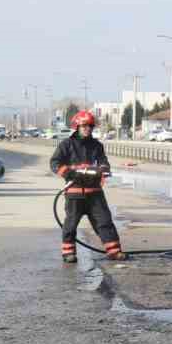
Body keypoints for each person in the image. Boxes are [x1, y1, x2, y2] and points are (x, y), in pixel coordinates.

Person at [49, 110, 125, 262]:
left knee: (104, 222)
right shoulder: (66, 145)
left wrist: (103, 169)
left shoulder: (97, 145)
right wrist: (70, 173)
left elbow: (104, 162)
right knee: (70, 225)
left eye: (90, 126)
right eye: (84, 126)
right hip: (74, 193)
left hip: (95, 193)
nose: (87, 129)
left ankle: (114, 251)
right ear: (77, 126)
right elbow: (55, 163)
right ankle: (69, 253)